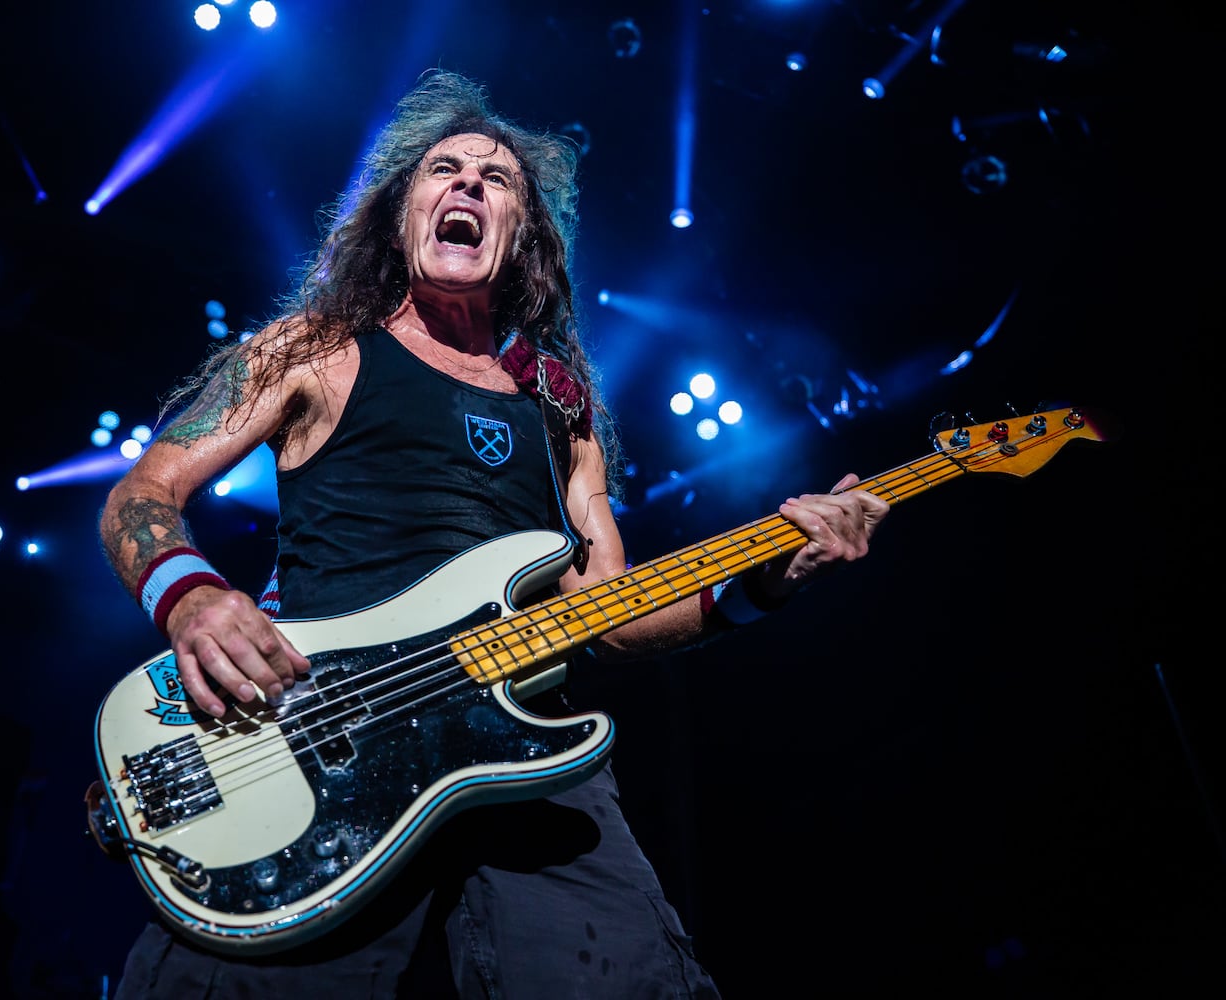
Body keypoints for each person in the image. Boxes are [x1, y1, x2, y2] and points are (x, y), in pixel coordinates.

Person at [96, 68, 890, 999]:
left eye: (497, 178)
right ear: (401, 214)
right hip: (317, 733)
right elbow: (143, 492)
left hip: (520, 746)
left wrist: (766, 580)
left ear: (522, 234)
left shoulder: (564, 409)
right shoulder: (314, 347)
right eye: (444, 169)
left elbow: (610, 614)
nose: (469, 182)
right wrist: (193, 601)